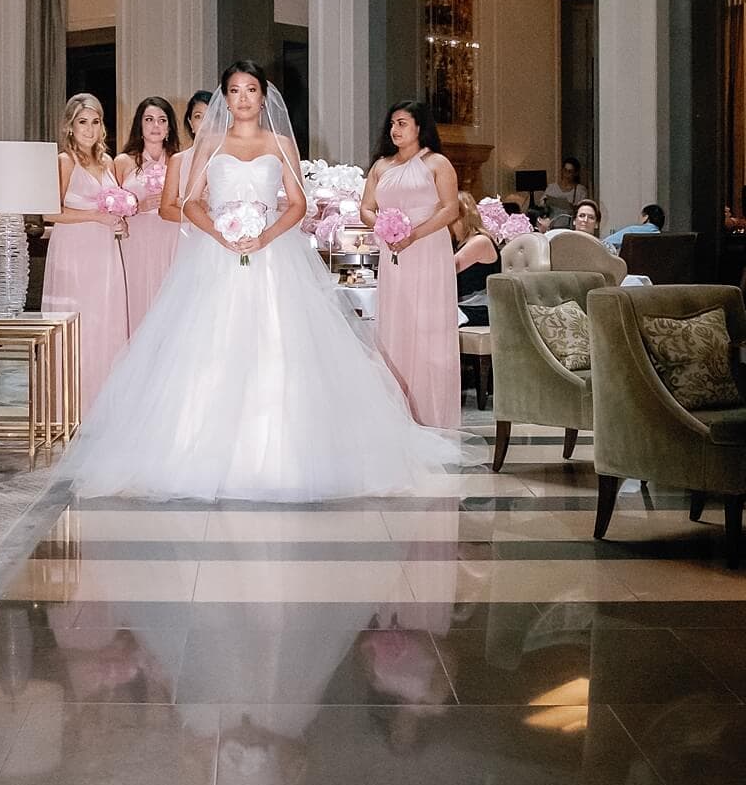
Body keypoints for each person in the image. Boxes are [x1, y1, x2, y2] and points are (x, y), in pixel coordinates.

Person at [57, 61, 475, 500]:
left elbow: (297, 203)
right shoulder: (210, 144)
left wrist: (265, 235)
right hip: (215, 258)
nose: (242, 98)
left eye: (251, 90)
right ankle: (195, 451)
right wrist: (221, 233)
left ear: (262, 96)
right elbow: (190, 201)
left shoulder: (279, 143)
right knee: (209, 346)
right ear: (225, 97)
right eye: (234, 90)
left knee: (279, 344)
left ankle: (285, 451)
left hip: (273, 256)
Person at [361, 101, 461, 426]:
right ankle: (398, 415)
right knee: (397, 324)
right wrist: (382, 227)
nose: (395, 130)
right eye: (392, 123)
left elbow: (450, 209)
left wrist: (413, 234)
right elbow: (366, 207)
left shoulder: (437, 163)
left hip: (428, 249)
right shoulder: (381, 166)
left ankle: (432, 414)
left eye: (402, 123)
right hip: (394, 255)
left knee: (427, 326)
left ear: (419, 126)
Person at [42, 93, 130, 415]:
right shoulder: (66, 161)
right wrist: (95, 216)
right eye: (83, 122)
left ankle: (105, 405)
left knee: (106, 321)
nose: (90, 130)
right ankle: (72, 407)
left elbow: (113, 204)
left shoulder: (108, 163)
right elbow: (50, 212)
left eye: (95, 122)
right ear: (70, 125)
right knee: (80, 323)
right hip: (74, 252)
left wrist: (119, 221)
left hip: (105, 251)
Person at [114, 96, 180, 329]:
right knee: (138, 297)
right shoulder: (123, 162)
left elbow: (193, 200)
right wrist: (134, 206)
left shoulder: (178, 160)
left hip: (172, 237)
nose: (155, 126)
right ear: (139, 125)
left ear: (169, 127)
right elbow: (111, 204)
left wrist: (170, 202)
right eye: (149, 119)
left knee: (171, 300)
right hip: (136, 240)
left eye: (162, 120)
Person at [159, 88, 212, 224]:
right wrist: (206, 221)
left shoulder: (231, 158)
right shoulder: (178, 160)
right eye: (198, 116)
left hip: (229, 233)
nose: (205, 123)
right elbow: (165, 210)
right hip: (191, 234)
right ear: (191, 123)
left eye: (211, 116)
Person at [453, 192, 501, 327]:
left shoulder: (480, 241)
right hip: (464, 305)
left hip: (479, 307)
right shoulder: (458, 243)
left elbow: (445, 270)